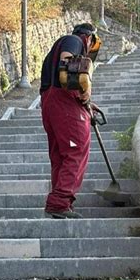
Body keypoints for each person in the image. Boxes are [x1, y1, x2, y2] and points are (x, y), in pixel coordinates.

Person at [40, 22, 100, 219]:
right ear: (89, 38)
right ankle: (60, 202)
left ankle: (57, 202)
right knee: (76, 151)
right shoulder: (74, 41)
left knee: (60, 155)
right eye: (92, 44)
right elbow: (69, 63)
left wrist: (87, 102)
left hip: (51, 103)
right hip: (64, 105)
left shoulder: (55, 48)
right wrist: (86, 90)